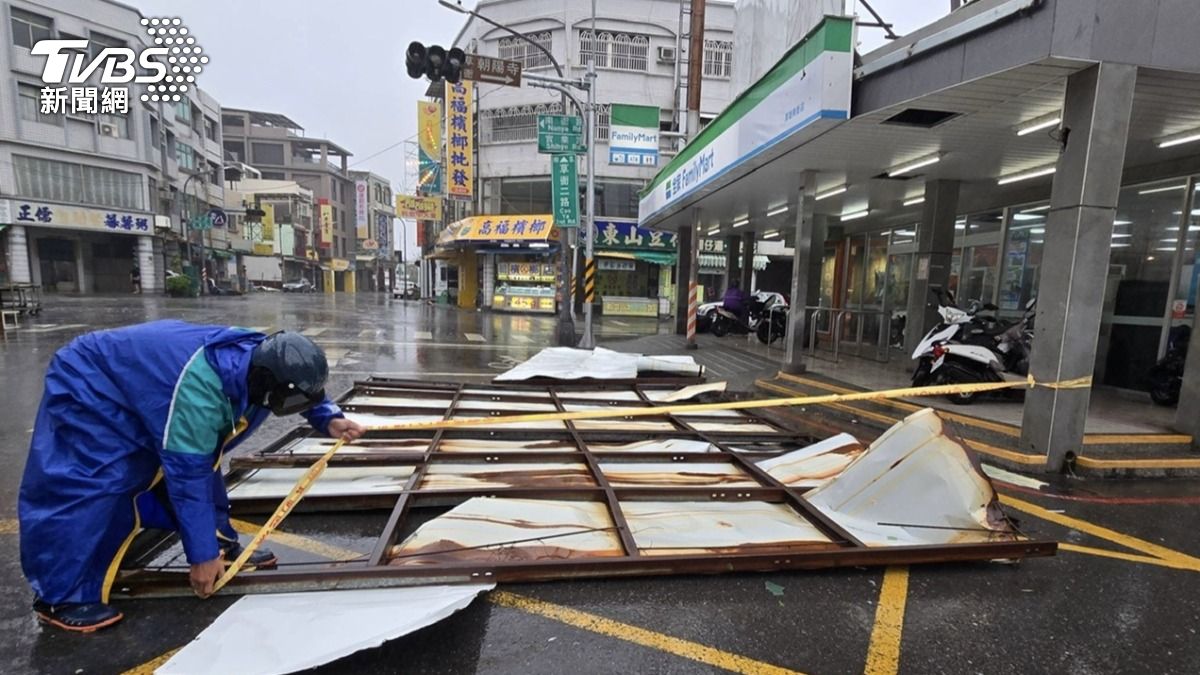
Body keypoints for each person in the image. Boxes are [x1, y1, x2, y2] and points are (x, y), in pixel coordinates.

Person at [18, 322, 365, 632]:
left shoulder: (266, 359)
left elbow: (296, 380)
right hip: (92, 382)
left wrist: (327, 417)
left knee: (197, 461)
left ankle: (219, 546)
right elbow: (188, 477)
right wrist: (200, 558)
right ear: (263, 383)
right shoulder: (199, 396)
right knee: (99, 480)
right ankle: (60, 596)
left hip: (146, 380)